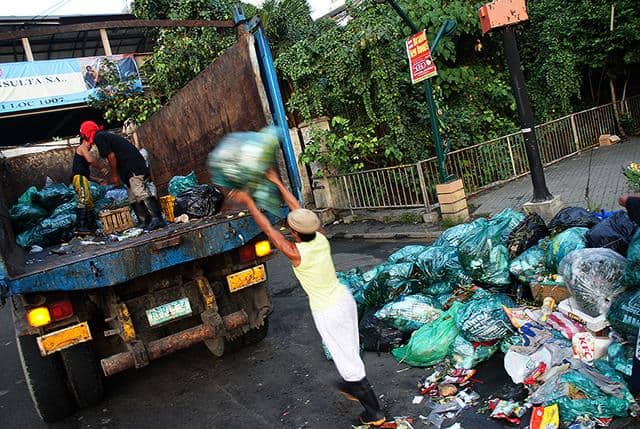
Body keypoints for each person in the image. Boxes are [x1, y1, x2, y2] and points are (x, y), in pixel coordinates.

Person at [227, 169, 386, 426]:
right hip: (344, 300)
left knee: (345, 357)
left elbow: (269, 230)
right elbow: (298, 209)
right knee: (349, 349)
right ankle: (353, 385)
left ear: (296, 233)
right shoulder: (321, 237)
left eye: (291, 228)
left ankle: (375, 413)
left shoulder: (295, 252)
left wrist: (249, 202)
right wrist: (277, 181)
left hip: (327, 309)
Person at [79, 120, 166, 231]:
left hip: (133, 165)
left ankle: (157, 218)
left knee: (139, 191)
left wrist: (114, 175)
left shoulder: (99, 137)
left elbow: (111, 156)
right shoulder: (103, 136)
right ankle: (144, 220)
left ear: (87, 133)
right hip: (127, 168)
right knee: (132, 197)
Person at [72, 135, 109, 235]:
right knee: (84, 199)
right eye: (90, 143)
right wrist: (101, 168)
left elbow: (86, 174)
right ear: (84, 140)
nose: (91, 145)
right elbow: (90, 160)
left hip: (83, 178)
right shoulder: (82, 147)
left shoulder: (82, 155)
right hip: (79, 178)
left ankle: (92, 228)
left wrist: (98, 180)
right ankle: (80, 227)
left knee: (89, 202)